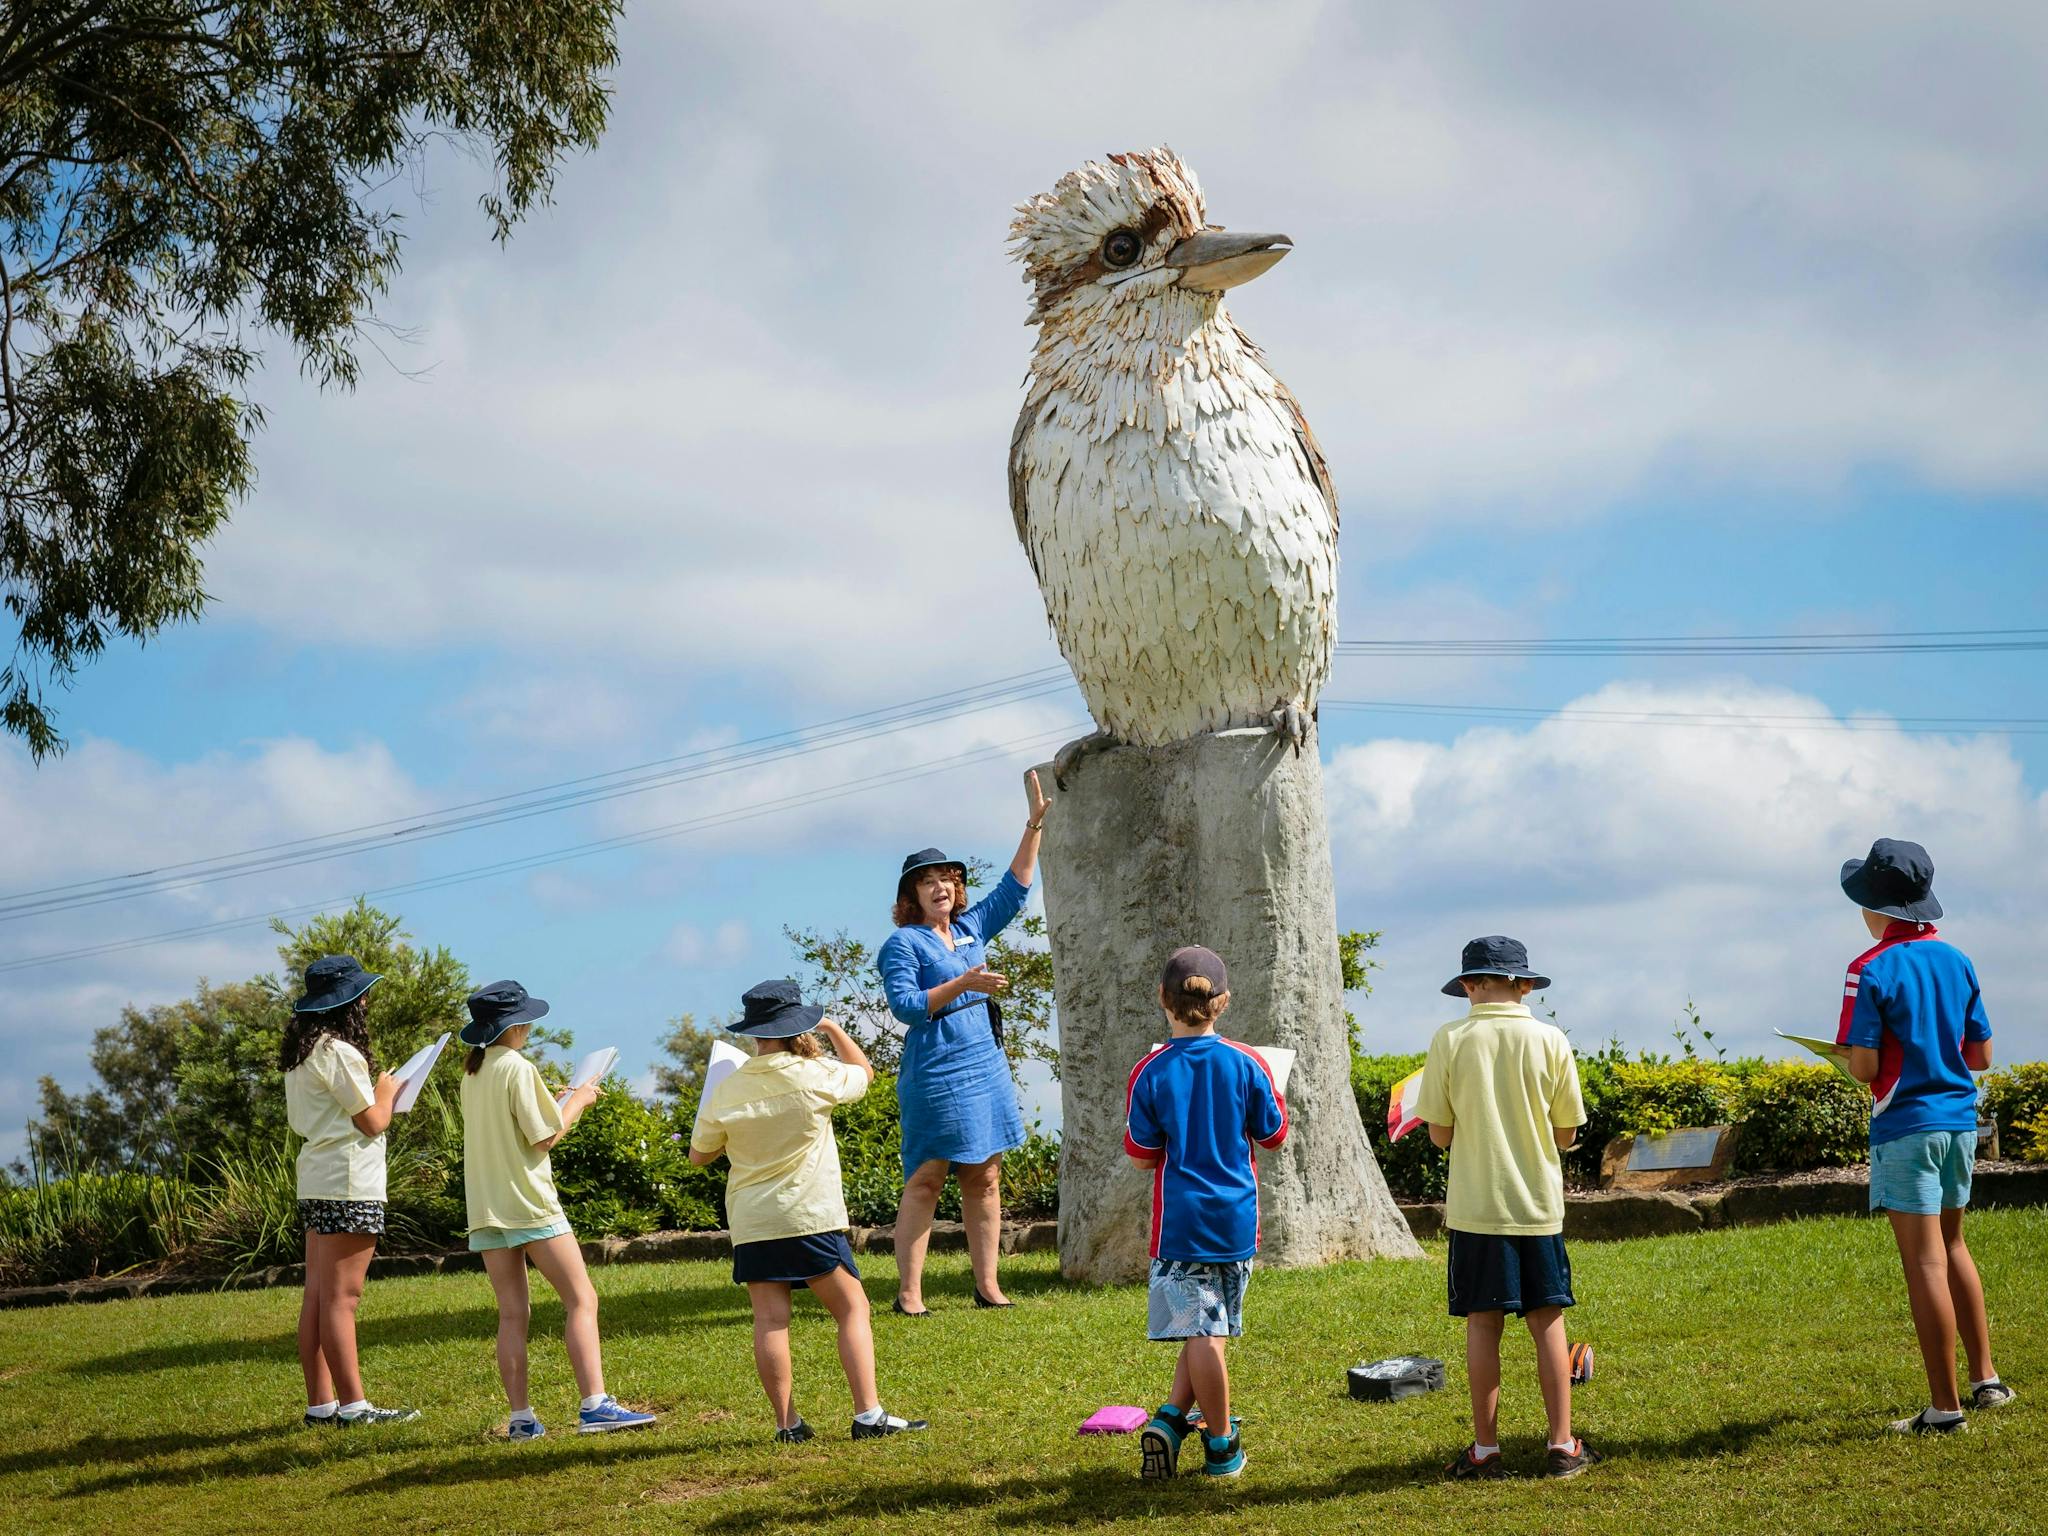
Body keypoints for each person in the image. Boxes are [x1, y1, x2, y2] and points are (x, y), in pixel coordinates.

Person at [691, 980, 928, 1443]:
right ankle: (867, 1415)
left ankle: (787, 1425)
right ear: (795, 1025)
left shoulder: (728, 1087)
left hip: (753, 1221)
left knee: (770, 1320)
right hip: (808, 1216)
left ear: (754, 1031)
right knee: (852, 1308)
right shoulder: (816, 1074)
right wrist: (833, 1027)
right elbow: (864, 1073)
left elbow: (700, 1155)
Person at [1834, 838, 2013, 1432]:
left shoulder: (1868, 969)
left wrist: (1847, 1055)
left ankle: (1944, 1409)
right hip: (1959, 1122)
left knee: (1924, 1264)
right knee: (1955, 1247)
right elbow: (1981, 1054)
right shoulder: (1958, 960)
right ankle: (1986, 1380)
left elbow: (1861, 1068)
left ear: (1878, 909)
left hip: (1904, 1126)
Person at [1414, 936, 1594, 1480]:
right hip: (1538, 1204)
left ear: (1468, 985)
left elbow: (1440, 1135)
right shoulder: (1550, 1039)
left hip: (1475, 1207)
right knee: (1548, 1320)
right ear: (1524, 985)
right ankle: (1562, 1445)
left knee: (1482, 1323)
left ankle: (1487, 1450)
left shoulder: (1450, 1039)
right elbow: (1566, 1132)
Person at [875, 770, 1051, 1315]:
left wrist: (1034, 825)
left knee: (987, 1174)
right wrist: (964, 983)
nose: (941, 887)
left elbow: (1015, 888)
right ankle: (909, 1295)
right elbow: (906, 1006)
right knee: (928, 1176)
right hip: (936, 1067)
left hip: (984, 1061)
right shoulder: (902, 943)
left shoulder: (973, 926)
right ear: (911, 895)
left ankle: (987, 1286)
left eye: (947, 878)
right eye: (927, 881)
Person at [459, 979, 656, 1439]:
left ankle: (521, 1420)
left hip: (487, 1206)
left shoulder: (474, 1072)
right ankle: (595, 1405)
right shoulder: (518, 1068)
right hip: (529, 1203)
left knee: (512, 1314)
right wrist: (580, 1101)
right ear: (515, 1025)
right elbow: (544, 1137)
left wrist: (559, 1100)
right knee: (582, 1299)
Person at [1125, 946, 1287, 1480]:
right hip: (1235, 1220)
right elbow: (1273, 1135)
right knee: (1208, 1330)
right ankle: (1217, 1441)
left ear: (1162, 1000)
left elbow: (1142, 1153)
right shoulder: (1248, 1063)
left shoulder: (1148, 1071)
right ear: (1224, 1002)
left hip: (1179, 1224)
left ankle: (1181, 1423)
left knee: (1201, 1329)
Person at [281, 953, 418, 1426]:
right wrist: (387, 1089)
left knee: (318, 1296)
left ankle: (321, 1405)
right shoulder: (337, 1051)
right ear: (350, 1002)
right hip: (348, 1182)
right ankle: (355, 1408)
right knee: (342, 1299)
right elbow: (372, 1122)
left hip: (317, 1177)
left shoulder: (303, 1052)